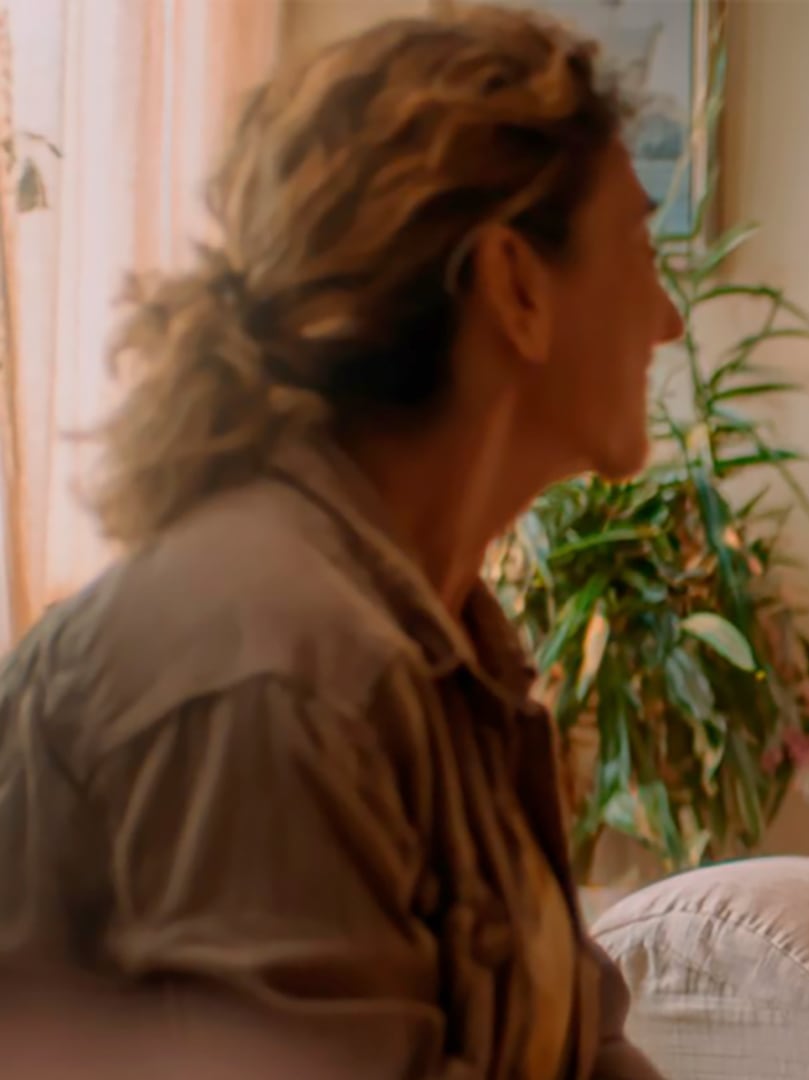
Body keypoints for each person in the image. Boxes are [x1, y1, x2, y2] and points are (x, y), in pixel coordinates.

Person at [0, 6, 682, 1078]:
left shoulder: (445, 647)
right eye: (639, 249)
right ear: (515, 286)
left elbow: (583, 1051)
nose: (668, 319)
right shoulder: (277, 670)